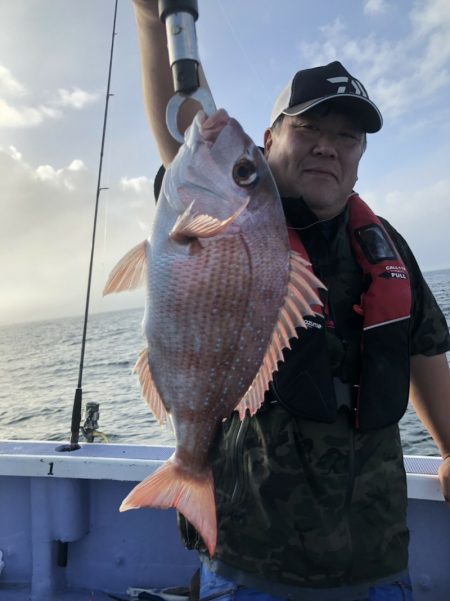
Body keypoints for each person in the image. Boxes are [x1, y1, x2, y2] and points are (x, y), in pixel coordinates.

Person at [132, 2, 450, 600]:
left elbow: (425, 351)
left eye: (346, 137)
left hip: (377, 554)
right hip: (251, 555)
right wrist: (154, 23)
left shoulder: (385, 247)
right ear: (272, 136)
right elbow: (185, 130)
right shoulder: (230, 208)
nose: (328, 147)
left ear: (359, 159)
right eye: (308, 129)